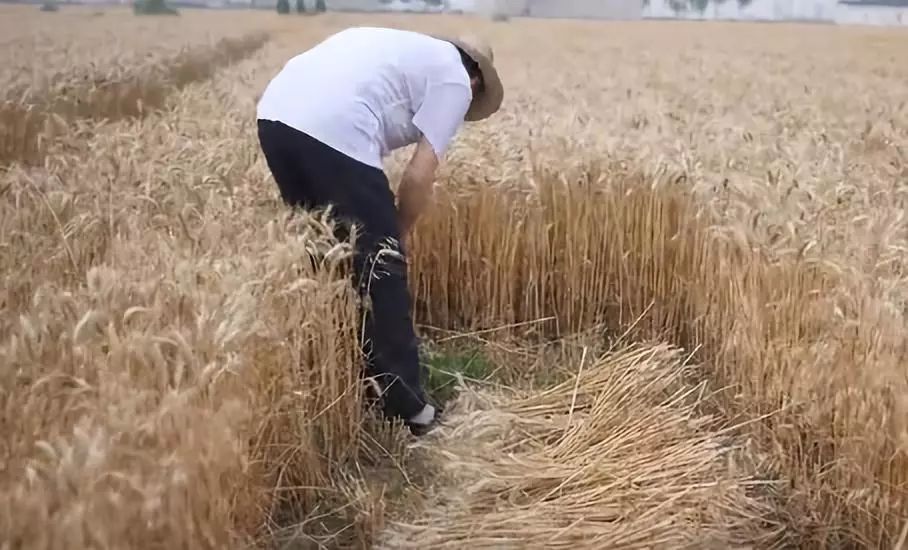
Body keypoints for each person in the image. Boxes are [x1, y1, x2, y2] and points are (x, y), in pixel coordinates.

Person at [255, 26, 503, 435]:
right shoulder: (456, 80)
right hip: (334, 129)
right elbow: (419, 177)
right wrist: (399, 232)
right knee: (382, 269)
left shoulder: (401, 48)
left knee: (326, 260)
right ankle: (409, 410)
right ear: (476, 78)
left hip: (274, 118)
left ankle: (339, 384)